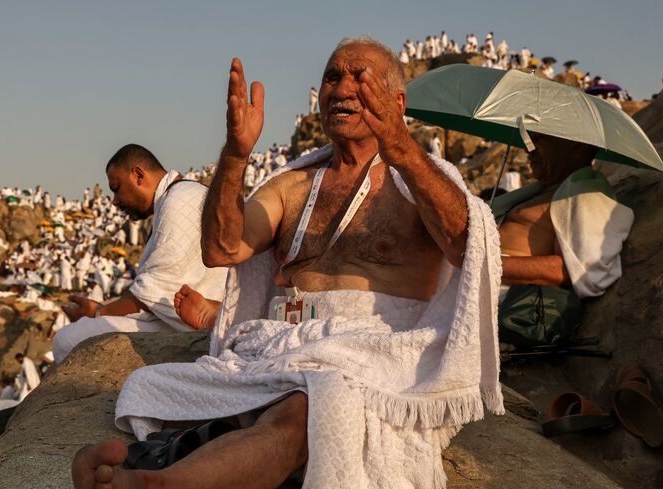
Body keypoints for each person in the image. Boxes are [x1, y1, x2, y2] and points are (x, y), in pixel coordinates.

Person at [73, 37, 501, 488]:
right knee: (156, 388)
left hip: (373, 347)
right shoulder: (292, 186)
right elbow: (223, 248)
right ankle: (151, 461)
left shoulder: (422, 180)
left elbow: (464, 245)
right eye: (332, 77)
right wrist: (236, 154)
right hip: (281, 342)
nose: (342, 88)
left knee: (307, 406)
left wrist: (401, 146)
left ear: (397, 101)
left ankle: (153, 483)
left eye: (361, 77)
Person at [51, 144, 228, 364]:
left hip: (189, 324)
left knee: (67, 340)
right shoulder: (178, 196)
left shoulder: (179, 199)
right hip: (173, 317)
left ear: (138, 175)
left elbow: (158, 287)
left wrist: (100, 312)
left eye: (116, 188)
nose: (114, 200)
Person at [494, 133, 634, 298]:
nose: (527, 147)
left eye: (539, 138)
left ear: (575, 143)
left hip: (497, 289)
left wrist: (484, 264)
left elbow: (573, 270)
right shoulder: (546, 190)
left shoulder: (584, 196)